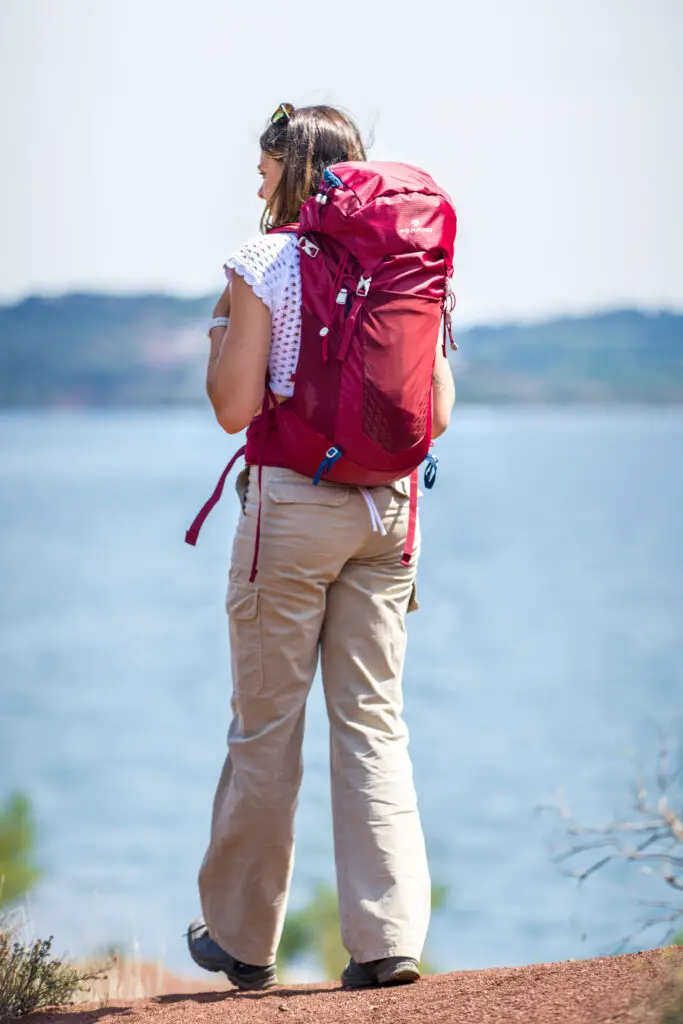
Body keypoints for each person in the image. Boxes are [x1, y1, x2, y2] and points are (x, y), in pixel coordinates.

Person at [187, 103, 455, 992]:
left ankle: (243, 941)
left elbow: (232, 406)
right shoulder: (408, 262)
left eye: (262, 166)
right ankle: (386, 941)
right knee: (374, 722)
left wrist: (224, 329)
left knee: (267, 726)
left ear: (291, 170)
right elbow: (439, 413)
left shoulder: (264, 262)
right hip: (388, 515)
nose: (254, 181)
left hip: (293, 511)